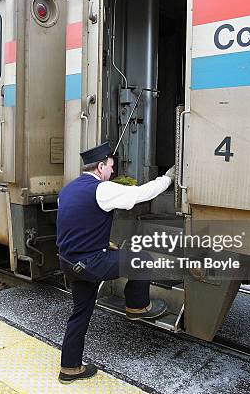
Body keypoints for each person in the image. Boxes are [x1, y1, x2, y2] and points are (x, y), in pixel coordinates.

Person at [56, 141, 175, 384]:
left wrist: (103, 242)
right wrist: (168, 178)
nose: (112, 172)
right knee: (142, 258)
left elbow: (75, 225)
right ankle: (137, 306)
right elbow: (143, 193)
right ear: (100, 167)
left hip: (70, 263)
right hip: (91, 263)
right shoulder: (102, 189)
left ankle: (69, 368)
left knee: (80, 314)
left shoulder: (67, 190)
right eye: (110, 167)